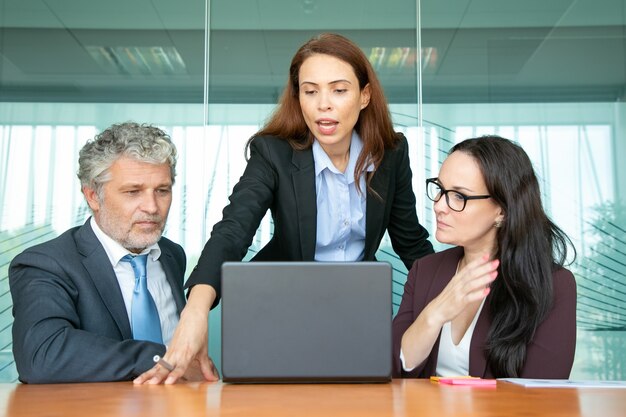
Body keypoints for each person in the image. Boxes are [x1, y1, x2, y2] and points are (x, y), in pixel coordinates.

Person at [135, 33, 434, 384]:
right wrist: (196, 310)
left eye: (339, 90)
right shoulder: (273, 152)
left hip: (356, 311)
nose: (324, 104)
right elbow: (233, 230)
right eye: (310, 91)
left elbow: (410, 241)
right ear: (299, 98)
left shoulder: (391, 153)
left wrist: (460, 295)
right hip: (279, 308)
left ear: (364, 95)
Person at [9, 122, 218, 383]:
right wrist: (166, 358)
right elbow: (43, 355)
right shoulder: (45, 263)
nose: (152, 207)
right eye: (133, 191)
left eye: (162, 190)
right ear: (93, 196)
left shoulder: (172, 255)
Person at [392, 135, 577, 379]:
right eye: (440, 189)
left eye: (459, 196)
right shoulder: (425, 270)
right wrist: (434, 315)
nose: (439, 205)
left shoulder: (554, 284)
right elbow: (392, 368)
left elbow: (543, 396)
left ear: (502, 210)